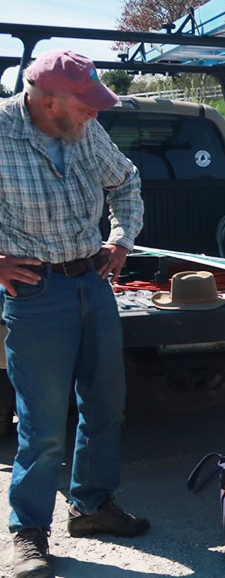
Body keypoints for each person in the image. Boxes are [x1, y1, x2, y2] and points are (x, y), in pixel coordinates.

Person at [0, 50, 147, 578]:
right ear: (47, 102)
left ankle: (92, 506)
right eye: (84, 106)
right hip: (35, 293)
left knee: (107, 403)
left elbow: (126, 180)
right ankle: (28, 533)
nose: (94, 115)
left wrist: (121, 239)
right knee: (42, 425)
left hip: (91, 282)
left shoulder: (85, 130)